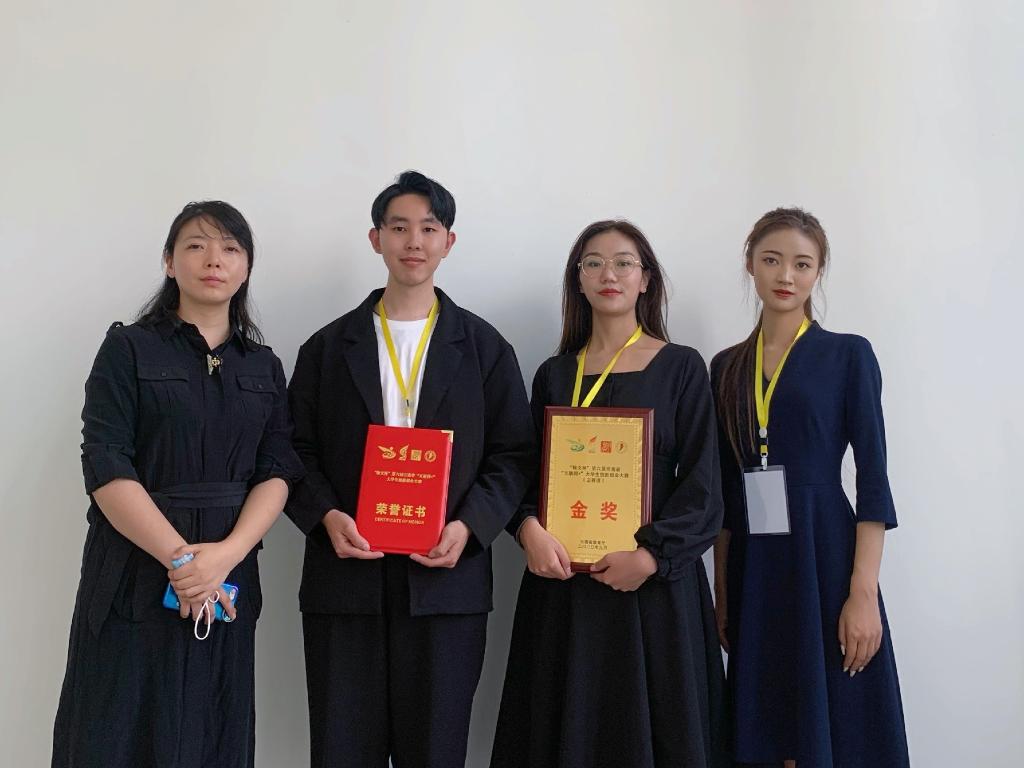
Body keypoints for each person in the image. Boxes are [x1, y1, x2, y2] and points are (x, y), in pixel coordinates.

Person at [285, 170, 534, 768]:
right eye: (399, 228)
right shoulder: (327, 347)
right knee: (343, 750)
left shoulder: (484, 348)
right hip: (347, 581)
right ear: (376, 239)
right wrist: (326, 516)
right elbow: (291, 451)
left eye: (429, 228)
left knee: (437, 750)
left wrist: (470, 526)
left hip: (447, 583)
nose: (413, 241)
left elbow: (514, 454)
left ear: (449, 241)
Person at [51, 201, 304, 768]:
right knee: (117, 730)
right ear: (169, 262)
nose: (214, 259)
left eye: (230, 248)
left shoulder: (262, 365)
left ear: (246, 267)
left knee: (214, 732)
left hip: (227, 576)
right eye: (195, 246)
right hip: (137, 572)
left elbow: (277, 469)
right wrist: (184, 563)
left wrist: (225, 557)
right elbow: (106, 463)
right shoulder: (128, 348)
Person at [492, 220, 727, 768]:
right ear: (578, 280)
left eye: (624, 263)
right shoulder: (554, 374)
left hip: (653, 592)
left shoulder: (682, 367)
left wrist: (651, 557)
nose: (609, 274)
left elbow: (704, 486)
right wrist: (527, 529)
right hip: (564, 590)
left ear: (646, 279)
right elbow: (522, 474)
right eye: (593, 263)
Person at [710, 207, 910, 767]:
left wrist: (862, 593)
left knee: (834, 721)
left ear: (818, 272)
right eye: (772, 260)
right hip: (755, 562)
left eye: (802, 264)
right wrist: (723, 594)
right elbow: (723, 495)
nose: (786, 275)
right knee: (766, 724)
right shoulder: (725, 367)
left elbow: (873, 480)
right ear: (750, 264)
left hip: (824, 556)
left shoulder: (849, 354)